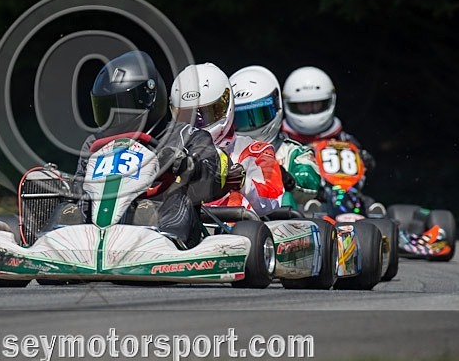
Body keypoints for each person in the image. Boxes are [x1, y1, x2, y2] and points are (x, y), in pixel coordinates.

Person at [51, 50, 226, 248]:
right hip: (96, 232)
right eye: (108, 108)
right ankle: (54, 244)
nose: (116, 117)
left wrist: (187, 164)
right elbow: (81, 187)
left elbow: (214, 178)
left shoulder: (187, 136)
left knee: (178, 199)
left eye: (124, 106)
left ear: (150, 98)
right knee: (70, 207)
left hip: (161, 227)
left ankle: (163, 239)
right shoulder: (95, 143)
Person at [169, 63, 284, 216]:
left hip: (231, 227)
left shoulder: (253, 151)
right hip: (174, 223)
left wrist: (243, 183)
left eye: (206, 113)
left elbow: (272, 199)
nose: (197, 123)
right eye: (187, 116)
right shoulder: (170, 151)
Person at [281, 65, 383, 214]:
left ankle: (370, 215)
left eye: (316, 104)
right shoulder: (281, 140)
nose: (311, 110)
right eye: (304, 106)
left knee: (370, 205)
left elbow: (369, 164)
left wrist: (364, 160)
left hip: (345, 198)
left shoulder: (344, 139)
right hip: (299, 202)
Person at [229, 65, 321, 209]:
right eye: (241, 118)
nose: (250, 126)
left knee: (285, 197)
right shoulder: (225, 153)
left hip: (282, 220)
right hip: (230, 219)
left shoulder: (294, 152)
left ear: (276, 107)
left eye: (258, 115)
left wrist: (284, 177)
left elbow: (311, 183)